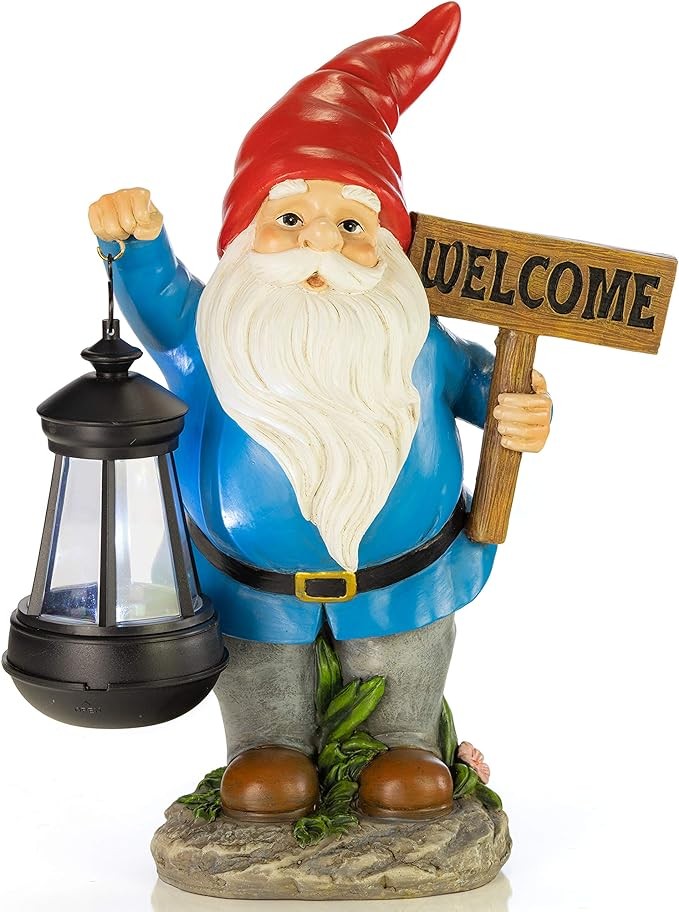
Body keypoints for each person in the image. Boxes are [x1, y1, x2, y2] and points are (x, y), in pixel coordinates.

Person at [89, 3, 550, 822]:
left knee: (403, 670)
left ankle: (402, 742)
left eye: (350, 223)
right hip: (250, 590)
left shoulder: (411, 336)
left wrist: (521, 407)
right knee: (260, 683)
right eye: (291, 219)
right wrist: (136, 241)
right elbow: (155, 296)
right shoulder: (211, 333)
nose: (322, 244)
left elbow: (485, 383)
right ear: (245, 235)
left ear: (388, 244)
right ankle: (263, 745)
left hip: (404, 581)